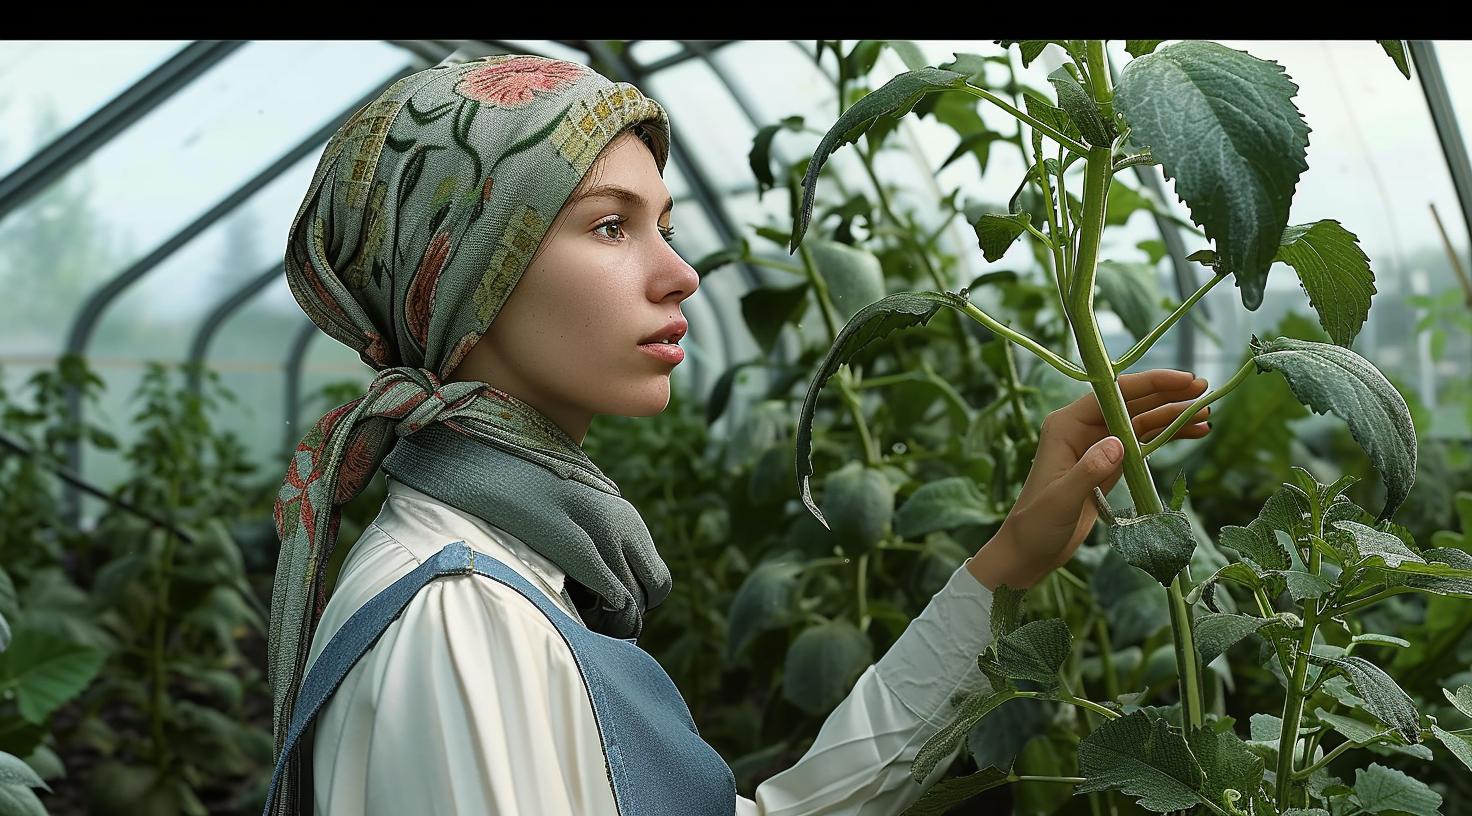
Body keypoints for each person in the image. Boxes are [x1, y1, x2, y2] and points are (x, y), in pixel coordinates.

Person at [261, 53, 1212, 816]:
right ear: (464, 271)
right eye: (608, 227)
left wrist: (1005, 564)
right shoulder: (460, 623)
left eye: (665, 224)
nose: (680, 273)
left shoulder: (513, 572)